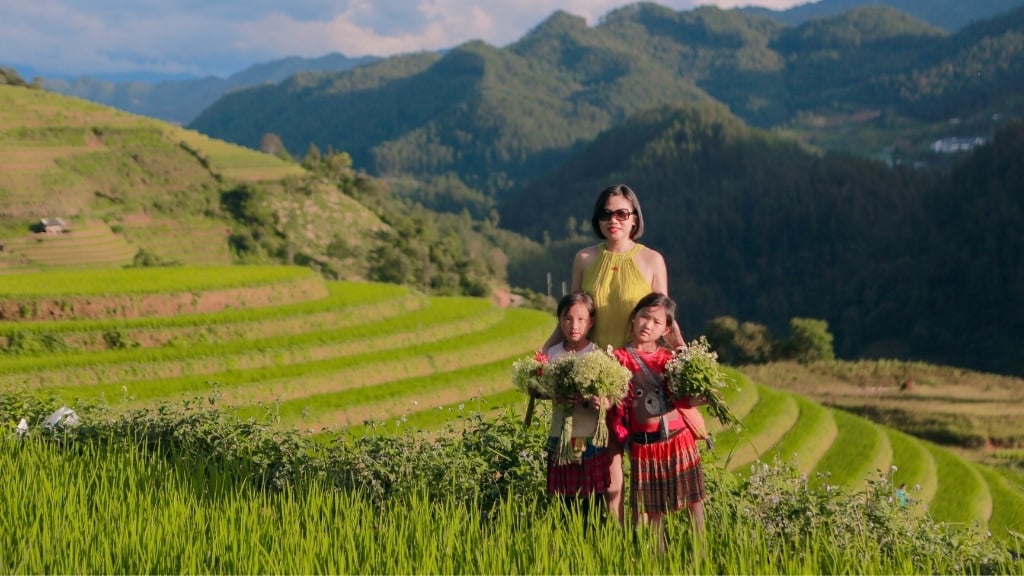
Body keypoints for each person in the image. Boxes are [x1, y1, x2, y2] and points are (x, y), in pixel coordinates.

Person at [542, 183, 684, 523]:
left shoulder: (651, 260)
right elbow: (573, 312)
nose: (613, 220)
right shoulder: (585, 258)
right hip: (595, 371)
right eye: (606, 214)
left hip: (637, 369)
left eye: (622, 213)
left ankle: (646, 536)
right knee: (606, 457)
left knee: (643, 454)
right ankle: (615, 535)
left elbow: (663, 315)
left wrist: (684, 352)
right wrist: (545, 352)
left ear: (635, 218)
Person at [613, 293, 707, 548]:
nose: (647, 325)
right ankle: (660, 565)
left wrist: (680, 345)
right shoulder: (618, 359)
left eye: (656, 322)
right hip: (644, 445)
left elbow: (686, 397)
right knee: (654, 513)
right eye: (644, 316)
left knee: (694, 504)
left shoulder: (670, 359)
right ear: (634, 317)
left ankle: (701, 560)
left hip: (679, 440)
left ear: (666, 329)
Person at [539, 291, 610, 519]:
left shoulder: (597, 355)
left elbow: (608, 398)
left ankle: (596, 544)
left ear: (592, 322)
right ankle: (569, 545)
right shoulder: (552, 354)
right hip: (560, 436)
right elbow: (541, 389)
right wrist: (550, 393)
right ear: (559, 321)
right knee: (565, 502)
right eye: (567, 318)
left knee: (594, 500)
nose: (574, 325)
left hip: (588, 437)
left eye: (581, 319)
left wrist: (590, 399)